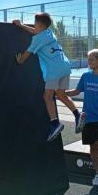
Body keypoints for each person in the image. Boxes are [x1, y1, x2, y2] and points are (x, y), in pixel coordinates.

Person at [13, 13, 86, 142]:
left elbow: (27, 54)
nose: (34, 25)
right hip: (65, 66)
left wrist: (20, 60)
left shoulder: (37, 39)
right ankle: (77, 114)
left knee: (47, 96)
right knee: (61, 94)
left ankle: (55, 123)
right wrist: (21, 25)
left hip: (54, 70)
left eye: (35, 23)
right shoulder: (49, 33)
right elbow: (36, 31)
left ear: (40, 25)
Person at [66, 49, 98, 186]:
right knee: (93, 147)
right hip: (88, 118)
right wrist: (63, 94)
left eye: (91, 59)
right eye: (88, 59)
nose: (89, 62)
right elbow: (76, 91)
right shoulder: (85, 76)